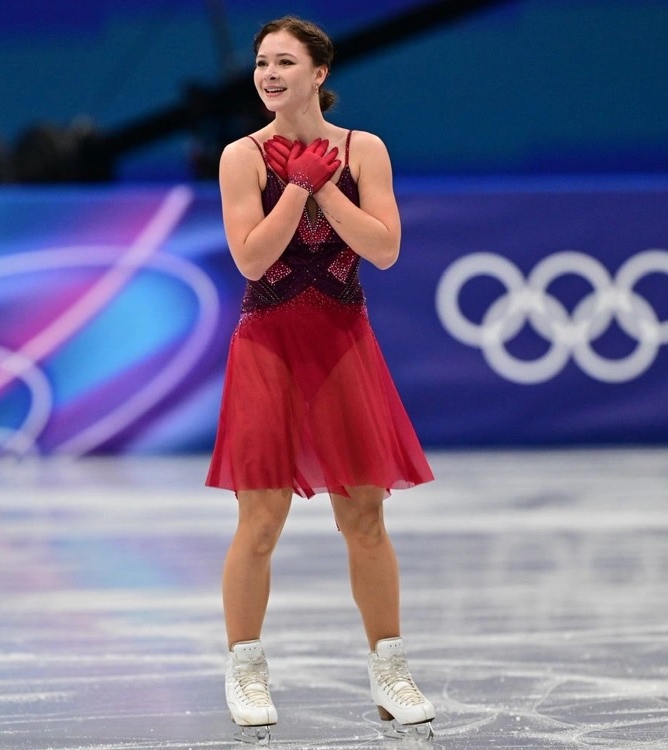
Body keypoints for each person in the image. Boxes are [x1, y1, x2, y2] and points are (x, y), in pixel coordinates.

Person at [205, 15, 436, 744]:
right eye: (261, 63)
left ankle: (390, 669)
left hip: (343, 344)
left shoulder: (364, 150)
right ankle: (245, 669)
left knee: (364, 515)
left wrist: (327, 188)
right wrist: (294, 189)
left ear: (319, 73)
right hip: (268, 345)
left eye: (284, 62)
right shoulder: (242, 157)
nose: (269, 75)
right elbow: (251, 259)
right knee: (261, 519)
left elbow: (386, 249)